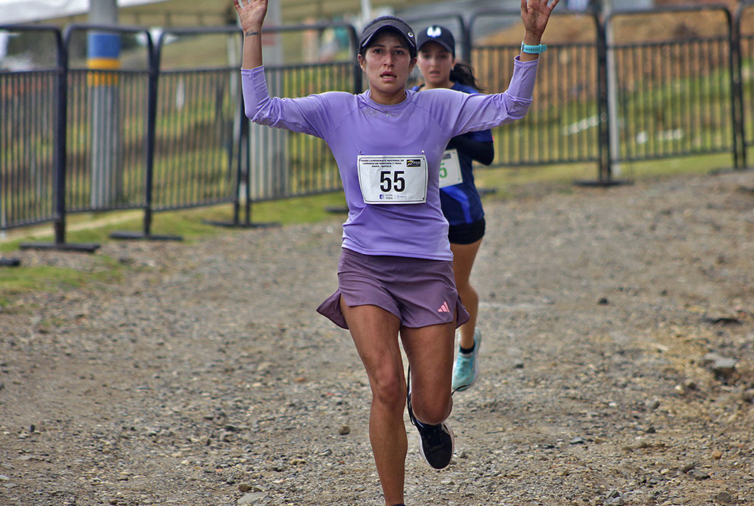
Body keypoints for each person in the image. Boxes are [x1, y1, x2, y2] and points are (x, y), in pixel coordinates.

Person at [234, 1, 560, 504]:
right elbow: (261, 109)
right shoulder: (336, 110)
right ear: (362, 62)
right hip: (365, 266)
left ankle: (428, 418)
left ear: (411, 64)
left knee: (433, 404)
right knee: (385, 385)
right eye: (377, 52)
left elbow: (511, 106)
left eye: (398, 53)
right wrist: (252, 31)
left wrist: (531, 39)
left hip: (428, 267)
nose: (388, 61)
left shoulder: (439, 106)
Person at [413, 25, 493, 393]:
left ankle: (466, 350)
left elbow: (487, 153)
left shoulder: (466, 98)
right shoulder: (408, 98)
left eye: (441, 56)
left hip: (461, 214)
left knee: (456, 288)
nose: (433, 63)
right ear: (416, 60)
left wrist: (449, 130)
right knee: (425, 291)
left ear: (452, 60)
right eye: (426, 56)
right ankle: (428, 368)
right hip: (418, 217)